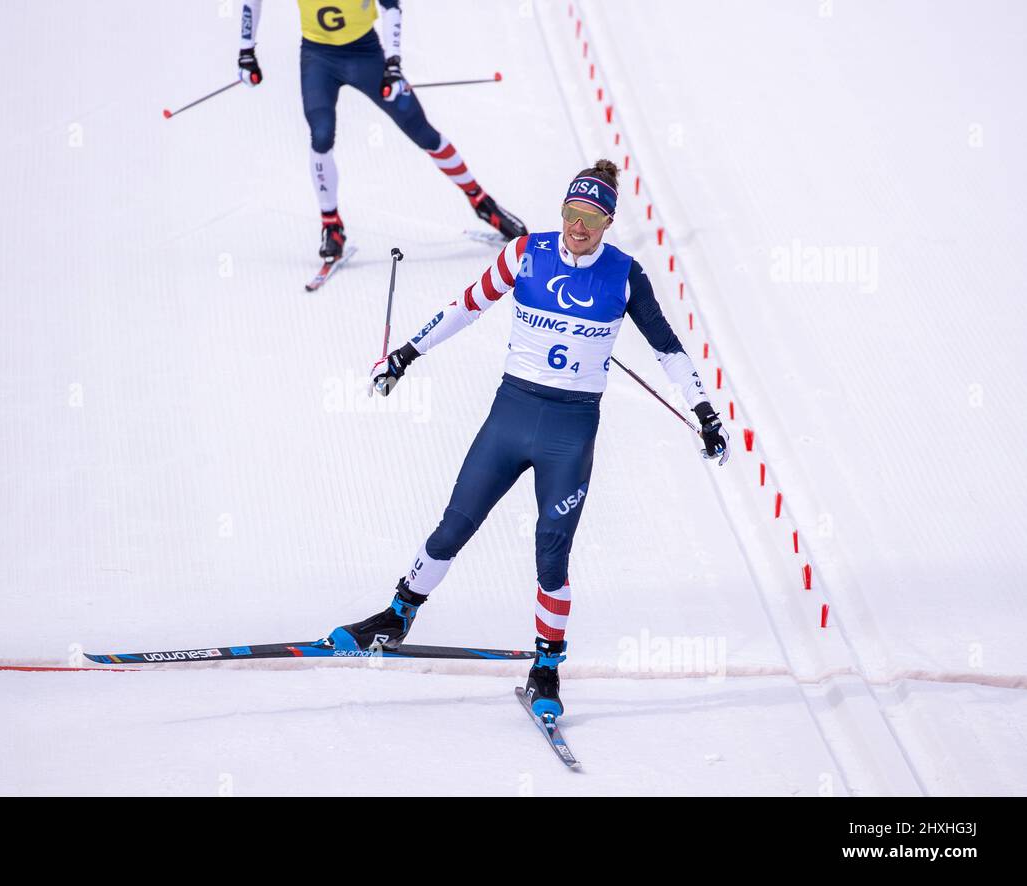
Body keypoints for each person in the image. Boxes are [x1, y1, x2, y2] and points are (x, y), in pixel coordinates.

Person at [329, 160, 730, 718]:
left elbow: (667, 347)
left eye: (591, 217)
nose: (578, 226)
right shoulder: (526, 254)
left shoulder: (625, 274)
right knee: (456, 522)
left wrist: (705, 412)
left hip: (570, 432)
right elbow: (467, 306)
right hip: (511, 415)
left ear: (608, 222)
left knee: (551, 553)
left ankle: (546, 668)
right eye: (571, 213)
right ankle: (398, 614)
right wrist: (405, 355)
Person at [236, 0, 528, 262]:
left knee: (421, 130)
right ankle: (331, 224)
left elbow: (391, 7)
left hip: (365, 55)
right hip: (318, 57)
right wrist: (246, 51)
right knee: (321, 135)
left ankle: (480, 201)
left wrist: (393, 64)